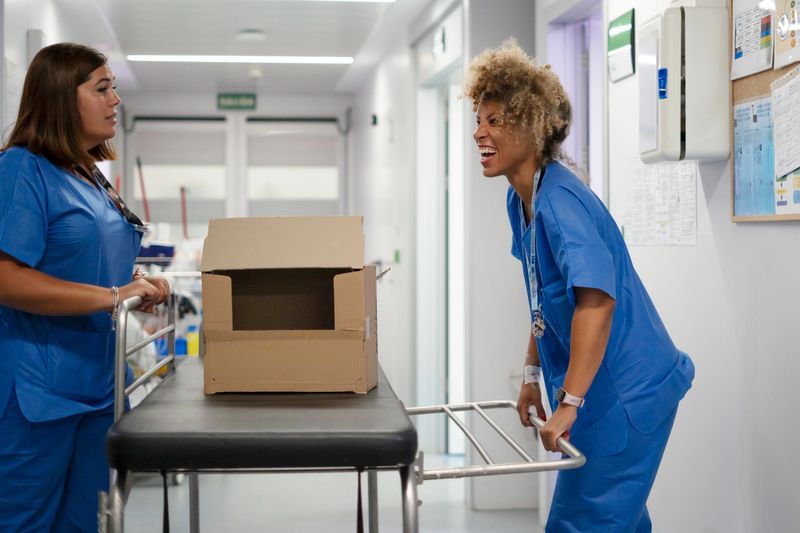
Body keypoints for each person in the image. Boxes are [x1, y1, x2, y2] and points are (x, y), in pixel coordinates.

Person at [464, 39, 695, 532]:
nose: (479, 133)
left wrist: (569, 402)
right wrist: (530, 374)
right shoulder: (521, 200)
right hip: (599, 392)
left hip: (627, 394)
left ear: (532, 125)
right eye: (478, 120)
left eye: (495, 120)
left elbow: (597, 302)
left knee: (582, 524)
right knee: (620, 523)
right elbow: (541, 295)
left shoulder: (561, 203)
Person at [0, 43, 170, 531]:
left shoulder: (89, 173)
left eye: (114, 87)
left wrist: (134, 281)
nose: (115, 99)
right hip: (37, 391)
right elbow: (7, 278)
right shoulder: (22, 168)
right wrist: (115, 296)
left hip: (99, 387)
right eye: (102, 88)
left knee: (92, 522)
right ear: (60, 98)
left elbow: (82, 262)